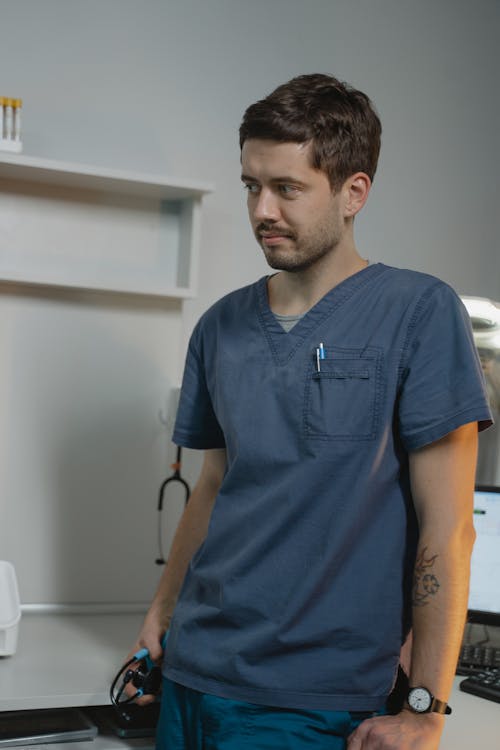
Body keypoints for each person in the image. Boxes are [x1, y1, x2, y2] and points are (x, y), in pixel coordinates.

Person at [127, 74, 493, 749]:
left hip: (315, 700)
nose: (262, 209)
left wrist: (424, 708)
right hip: (192, 676)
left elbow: (449, 530)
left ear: (354, 192)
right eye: (250, 186)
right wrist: (161, 612)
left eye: (287, 189)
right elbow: (213, 487)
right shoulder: (220, 327)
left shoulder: (417, 312)